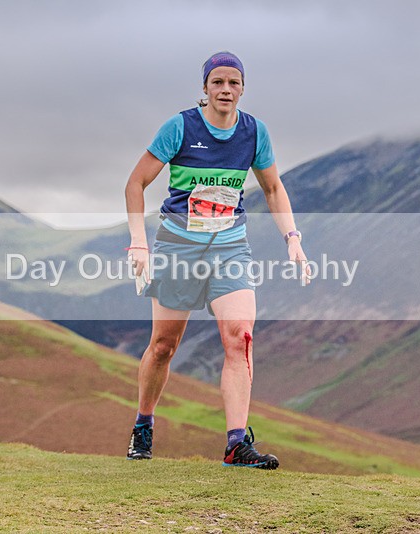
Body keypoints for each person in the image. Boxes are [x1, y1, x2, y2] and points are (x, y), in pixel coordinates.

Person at [124, 51, 309, 468]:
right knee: (164, 347)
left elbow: (274, 189)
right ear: (205, 88)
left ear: (243, 88)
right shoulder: (180, 127)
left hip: (230, 247)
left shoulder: (255, 133)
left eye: (234, 83)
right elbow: (135, 183)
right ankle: (143, 424)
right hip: (179, 246)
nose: (226, 90)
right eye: (218, 83)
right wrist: (139, 243)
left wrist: (292, 238)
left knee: (240, 336)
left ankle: (235, 444)